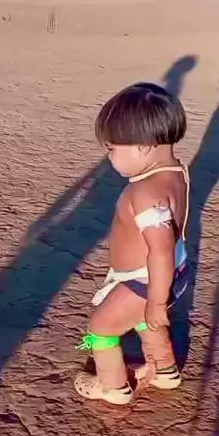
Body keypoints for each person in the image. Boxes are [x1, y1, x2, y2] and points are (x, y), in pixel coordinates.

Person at [74, 82, 190, 405]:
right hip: (169, 273)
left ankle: (112, 387)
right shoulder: (177, 173)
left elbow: (160, 249)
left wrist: (156, 300)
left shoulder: (145, 193)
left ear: (142, 147)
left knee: (101, 328)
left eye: (112, 148)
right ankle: (164, 370)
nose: (109, 156)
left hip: (146, 280)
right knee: (144, 320)